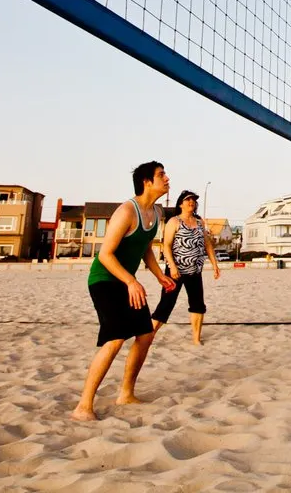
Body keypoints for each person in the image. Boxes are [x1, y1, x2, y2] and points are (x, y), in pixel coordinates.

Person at [71, 161, 176, 421]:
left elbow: (145, 247)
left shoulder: (156, 213)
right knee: (116, 339)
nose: (167, 178)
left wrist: (159, 275)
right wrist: (131, 281)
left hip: (127, 281)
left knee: (145, 335)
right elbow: (105, 255)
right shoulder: (126, 212)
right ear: (146, 182)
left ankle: (126, 393)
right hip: (104, 280)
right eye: (161, 175)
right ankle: (83, 406)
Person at [151, 190, 220, 345]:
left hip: (195, 271)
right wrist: (173, 267)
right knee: (166, 304)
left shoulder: (199, 222)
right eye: (188, 200)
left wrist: (215, 264)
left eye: (193, 200)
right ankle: (148, 336)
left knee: (198, 304)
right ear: (181, 203)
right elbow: (166, 246)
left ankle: (196, 338)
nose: (191, 202)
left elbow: (207, 244)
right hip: (175, 271)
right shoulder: (174, 222)